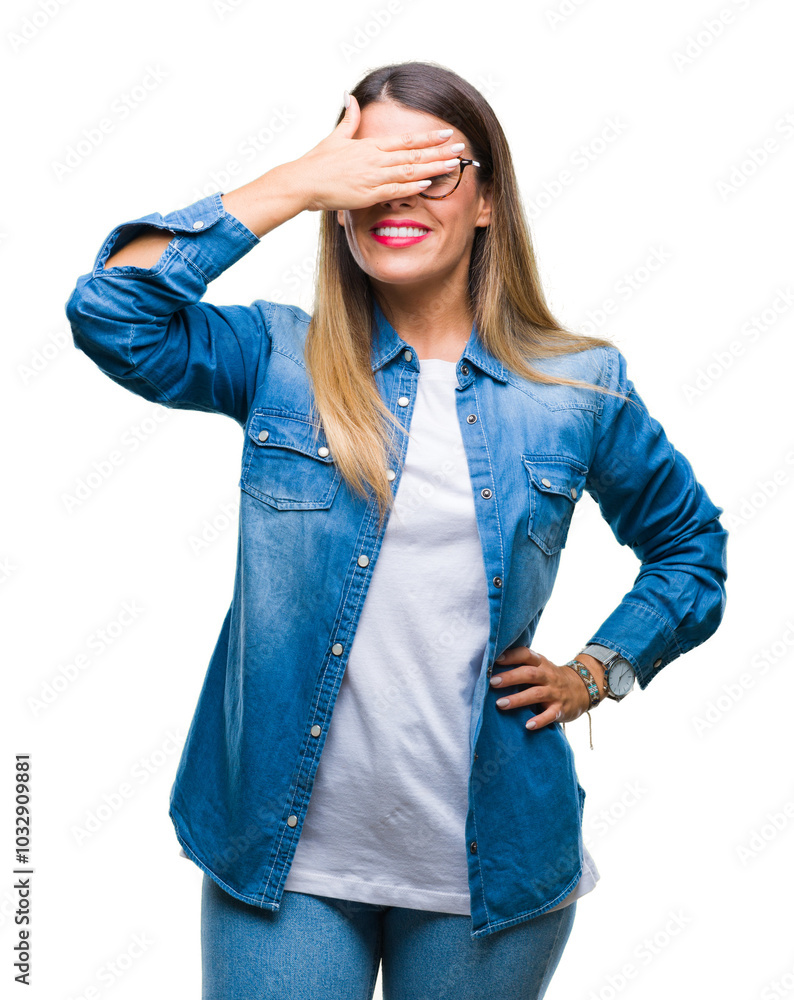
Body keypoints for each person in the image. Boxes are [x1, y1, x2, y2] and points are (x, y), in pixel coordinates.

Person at [65, 60, 728, 1000]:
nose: (395, 195)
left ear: (489, 199)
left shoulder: (578, 387)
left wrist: (597, 672)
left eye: (432, 169)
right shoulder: (276, 356)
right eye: (369, 170)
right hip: (281, 859)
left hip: (490, 876)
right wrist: (295, 183)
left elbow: (690, 550)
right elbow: (111, 316)